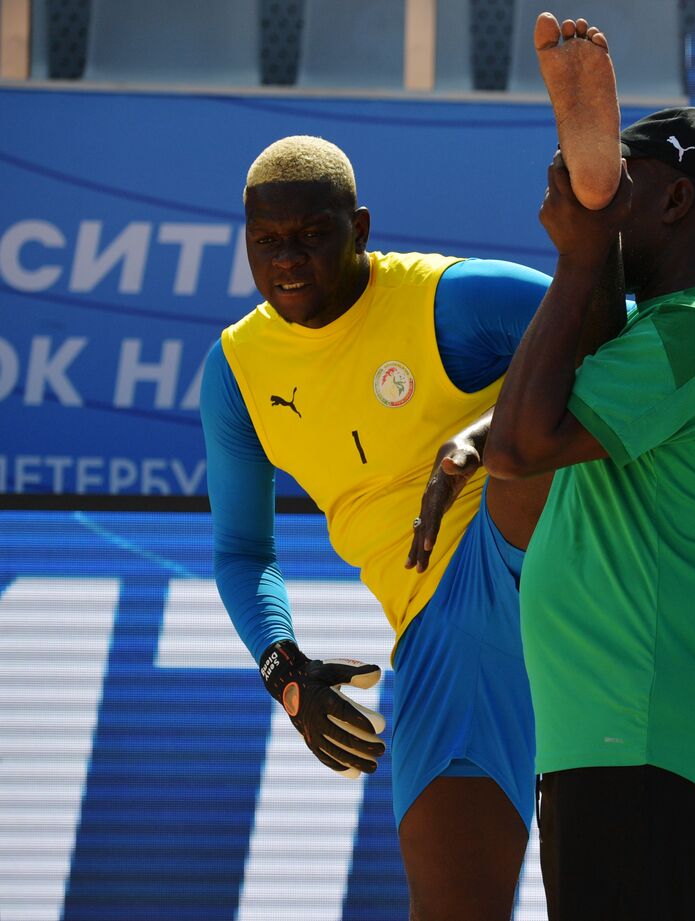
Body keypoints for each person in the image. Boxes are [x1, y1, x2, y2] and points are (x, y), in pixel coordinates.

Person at [200, 134, 566, 920]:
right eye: (266, 241)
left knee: (532, 442)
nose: (287, 260)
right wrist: (283, 668)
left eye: (311, 234)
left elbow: (625, 333)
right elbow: (241, 551)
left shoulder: (445, 300)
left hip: (525, 545)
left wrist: (481, 440)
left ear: (359, 228)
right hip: (439, 629)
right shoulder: (236, 371)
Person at [485, 30, 695, 918]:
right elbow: (570, 377)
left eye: (628, 190)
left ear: (677, 200)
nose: (609, 209)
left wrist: (581, 254)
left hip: (645, 730)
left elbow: (519, 446)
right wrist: (593, 227)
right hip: (637, 729)